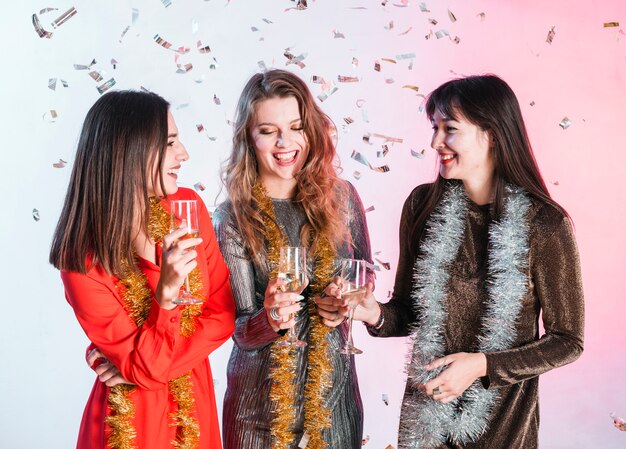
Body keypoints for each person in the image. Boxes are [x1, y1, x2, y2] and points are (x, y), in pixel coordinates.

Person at [329, 75, 585, 448]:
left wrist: (481, 366)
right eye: (434, 128)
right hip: (425, 423)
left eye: (449, 129)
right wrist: (373, 313)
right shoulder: (423, 207)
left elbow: (568, 340)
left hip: (504, 429)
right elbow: (407, 312)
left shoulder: (545, 223)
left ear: (492, 134)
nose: (435, 142)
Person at [49, 90, 235, 449]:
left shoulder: (187, 210)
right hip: (129, 423)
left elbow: (223, 314)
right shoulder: (81, 262)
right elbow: (146, 367)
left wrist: (141, 368)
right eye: (170, 143)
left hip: (194, 413)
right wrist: (165, 300)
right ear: (128, 152)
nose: (184, 154)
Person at [212, 69, 373, 449]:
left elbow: (364, 274)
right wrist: (268, 319)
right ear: (249, 138)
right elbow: (237, 327)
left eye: (296, 127)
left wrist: (347, 297)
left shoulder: (343, 198)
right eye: (268, 131)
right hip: (258, 413)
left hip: (334, 405)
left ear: (311, 131)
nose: (284, 143)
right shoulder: (231, 217)